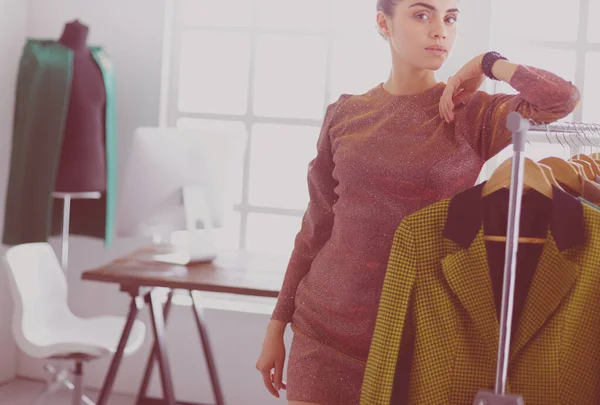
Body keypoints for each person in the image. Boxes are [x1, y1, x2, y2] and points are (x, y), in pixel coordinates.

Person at [255, 0, 581, 404]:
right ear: (383, 24)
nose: (440, 30)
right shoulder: (345, 113)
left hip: (419, 336)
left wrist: (488, 62)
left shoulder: (471, 114)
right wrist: (276, 325)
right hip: (323, 331)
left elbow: (561, 99)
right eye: (422, 14)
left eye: (450, 18)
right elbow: (316, 225)